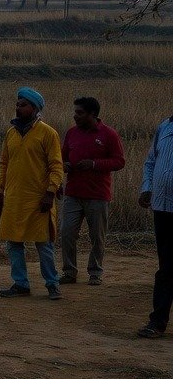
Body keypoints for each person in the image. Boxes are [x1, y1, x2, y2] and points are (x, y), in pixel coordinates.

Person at [0, 87, 65, 300]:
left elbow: (56, 166)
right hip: (15, 198)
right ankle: (20, 284)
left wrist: (50, 192)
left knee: (43, 244)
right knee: (14, 243)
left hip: (38, 199)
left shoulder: (48, 133)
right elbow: (4, 163)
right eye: (17, 103)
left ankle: (52, 284)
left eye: (23, 104)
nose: (18, 107)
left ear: (34, 109)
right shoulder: (11, 133)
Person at [59, 97, 126, 286]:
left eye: (80, 113)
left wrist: (94, 164)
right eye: (75, 112)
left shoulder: (109, 134)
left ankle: (95, 272)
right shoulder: (71, 133)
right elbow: (61, 158)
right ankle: (69, 272)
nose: (75, 116)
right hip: (73, 193)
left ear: (93, 114)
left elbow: (119, 161)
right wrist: (64, 166)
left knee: (97, 236)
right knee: (66, 232)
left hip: (98, 195)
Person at [137, 112, 173, 338]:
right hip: (163, 207)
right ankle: (157, 322)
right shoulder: (164, 127)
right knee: (166, 268)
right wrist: (146, 187)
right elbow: (150, 162)